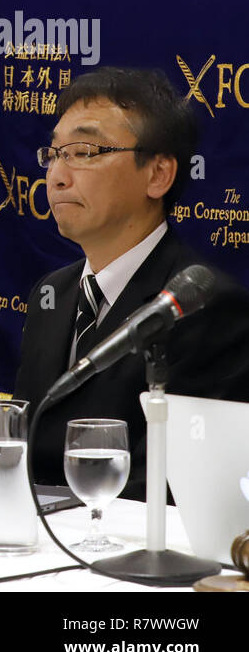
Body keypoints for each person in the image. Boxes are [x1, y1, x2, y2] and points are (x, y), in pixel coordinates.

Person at [14, 67, 249, 499]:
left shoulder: (203, 306)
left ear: (157, 174)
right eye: (53, 153)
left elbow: (166, 488)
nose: (57, 175)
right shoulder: (52, 294)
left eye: (83, 151)